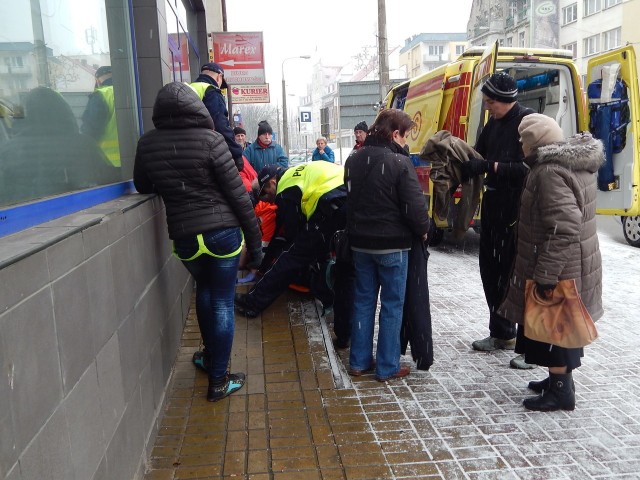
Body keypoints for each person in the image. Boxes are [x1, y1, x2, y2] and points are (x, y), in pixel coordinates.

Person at [133, 82, 263, 402]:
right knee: (220, 299)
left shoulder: (147, 144)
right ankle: (219, 380)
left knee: (205, 292)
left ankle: (208, 357)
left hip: (186, 238)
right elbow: (239, 197)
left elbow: (142, 184)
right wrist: (256, 245)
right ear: (196, 108)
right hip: (223, 235)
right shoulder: (212, 141)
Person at [498, 114, 604, 411]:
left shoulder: (548, 172)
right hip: (573, 263)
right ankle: (558, 381)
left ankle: (561, 392)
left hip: (560, 266)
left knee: (556, 332)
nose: (520, 144)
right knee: (557, 329)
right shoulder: (571, 164)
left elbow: (565, 227)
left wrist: (546, 273)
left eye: (523, 139)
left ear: (535, 142)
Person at [344, 109, 430, 382]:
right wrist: (424, 230)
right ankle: (387, 365)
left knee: (364, 301)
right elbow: (415, 207)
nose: (407, 143)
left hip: (361, 245)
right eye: (405, 137)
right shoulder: (398, 162)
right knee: (392, 305)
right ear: (395, 134)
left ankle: (358, 361)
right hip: (393, 246)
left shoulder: (354, 159)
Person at [461, 72, 535, 370]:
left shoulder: (528, 122)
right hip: (493, 208)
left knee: (519, 279)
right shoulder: (494, 123)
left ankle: (532, 348)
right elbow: (478, 154)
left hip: (518, 212)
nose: (487, 106)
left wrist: (491, 166)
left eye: (491, 101)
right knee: (491, 272)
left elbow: (531, 167)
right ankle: (502, 333)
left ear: (506, 100)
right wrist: (464, 162)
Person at [234, 161, 347, 318]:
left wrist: (266, 268)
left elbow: (290, 240)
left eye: (268, 198)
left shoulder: (286, 190)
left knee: (294, 257)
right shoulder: (296, 175)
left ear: (271, 183)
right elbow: (281, 233)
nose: (271, 203)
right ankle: (335, 308)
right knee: (335, 260)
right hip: (351, 199)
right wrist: (263, 267)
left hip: (332, 203)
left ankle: (253, 303)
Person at [1, 86, 117, 205]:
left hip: (21, 219)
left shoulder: (6, 151)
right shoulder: (83, 145)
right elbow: (110, 184)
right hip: (76, 213)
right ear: (63, 111)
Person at [191, 62, 244, 170]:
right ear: (219, 76)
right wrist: (236, 153)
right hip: (202, 150)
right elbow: (221, 124)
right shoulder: (211, 91)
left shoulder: (189, 88)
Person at [81, 65, 120, 167]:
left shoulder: (100, 96)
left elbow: (90, 131)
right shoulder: (130, 92)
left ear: (97, 81)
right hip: (133, 161)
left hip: (106, 162)